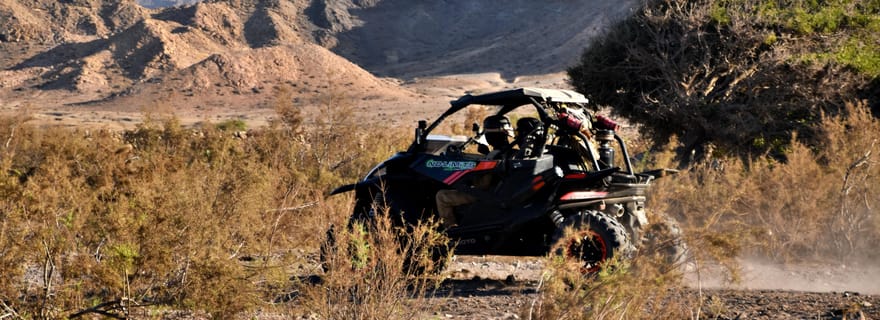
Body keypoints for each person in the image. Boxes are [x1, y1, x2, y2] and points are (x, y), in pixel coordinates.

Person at [436, 115, 512, 229]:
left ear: (490, 136)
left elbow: (483, 184)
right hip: (499, 190)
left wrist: (469, 176)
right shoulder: (510, 151)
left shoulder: (495, 155)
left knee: (441, 196)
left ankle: (450, 231)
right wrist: (487, 154)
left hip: (486, 194)